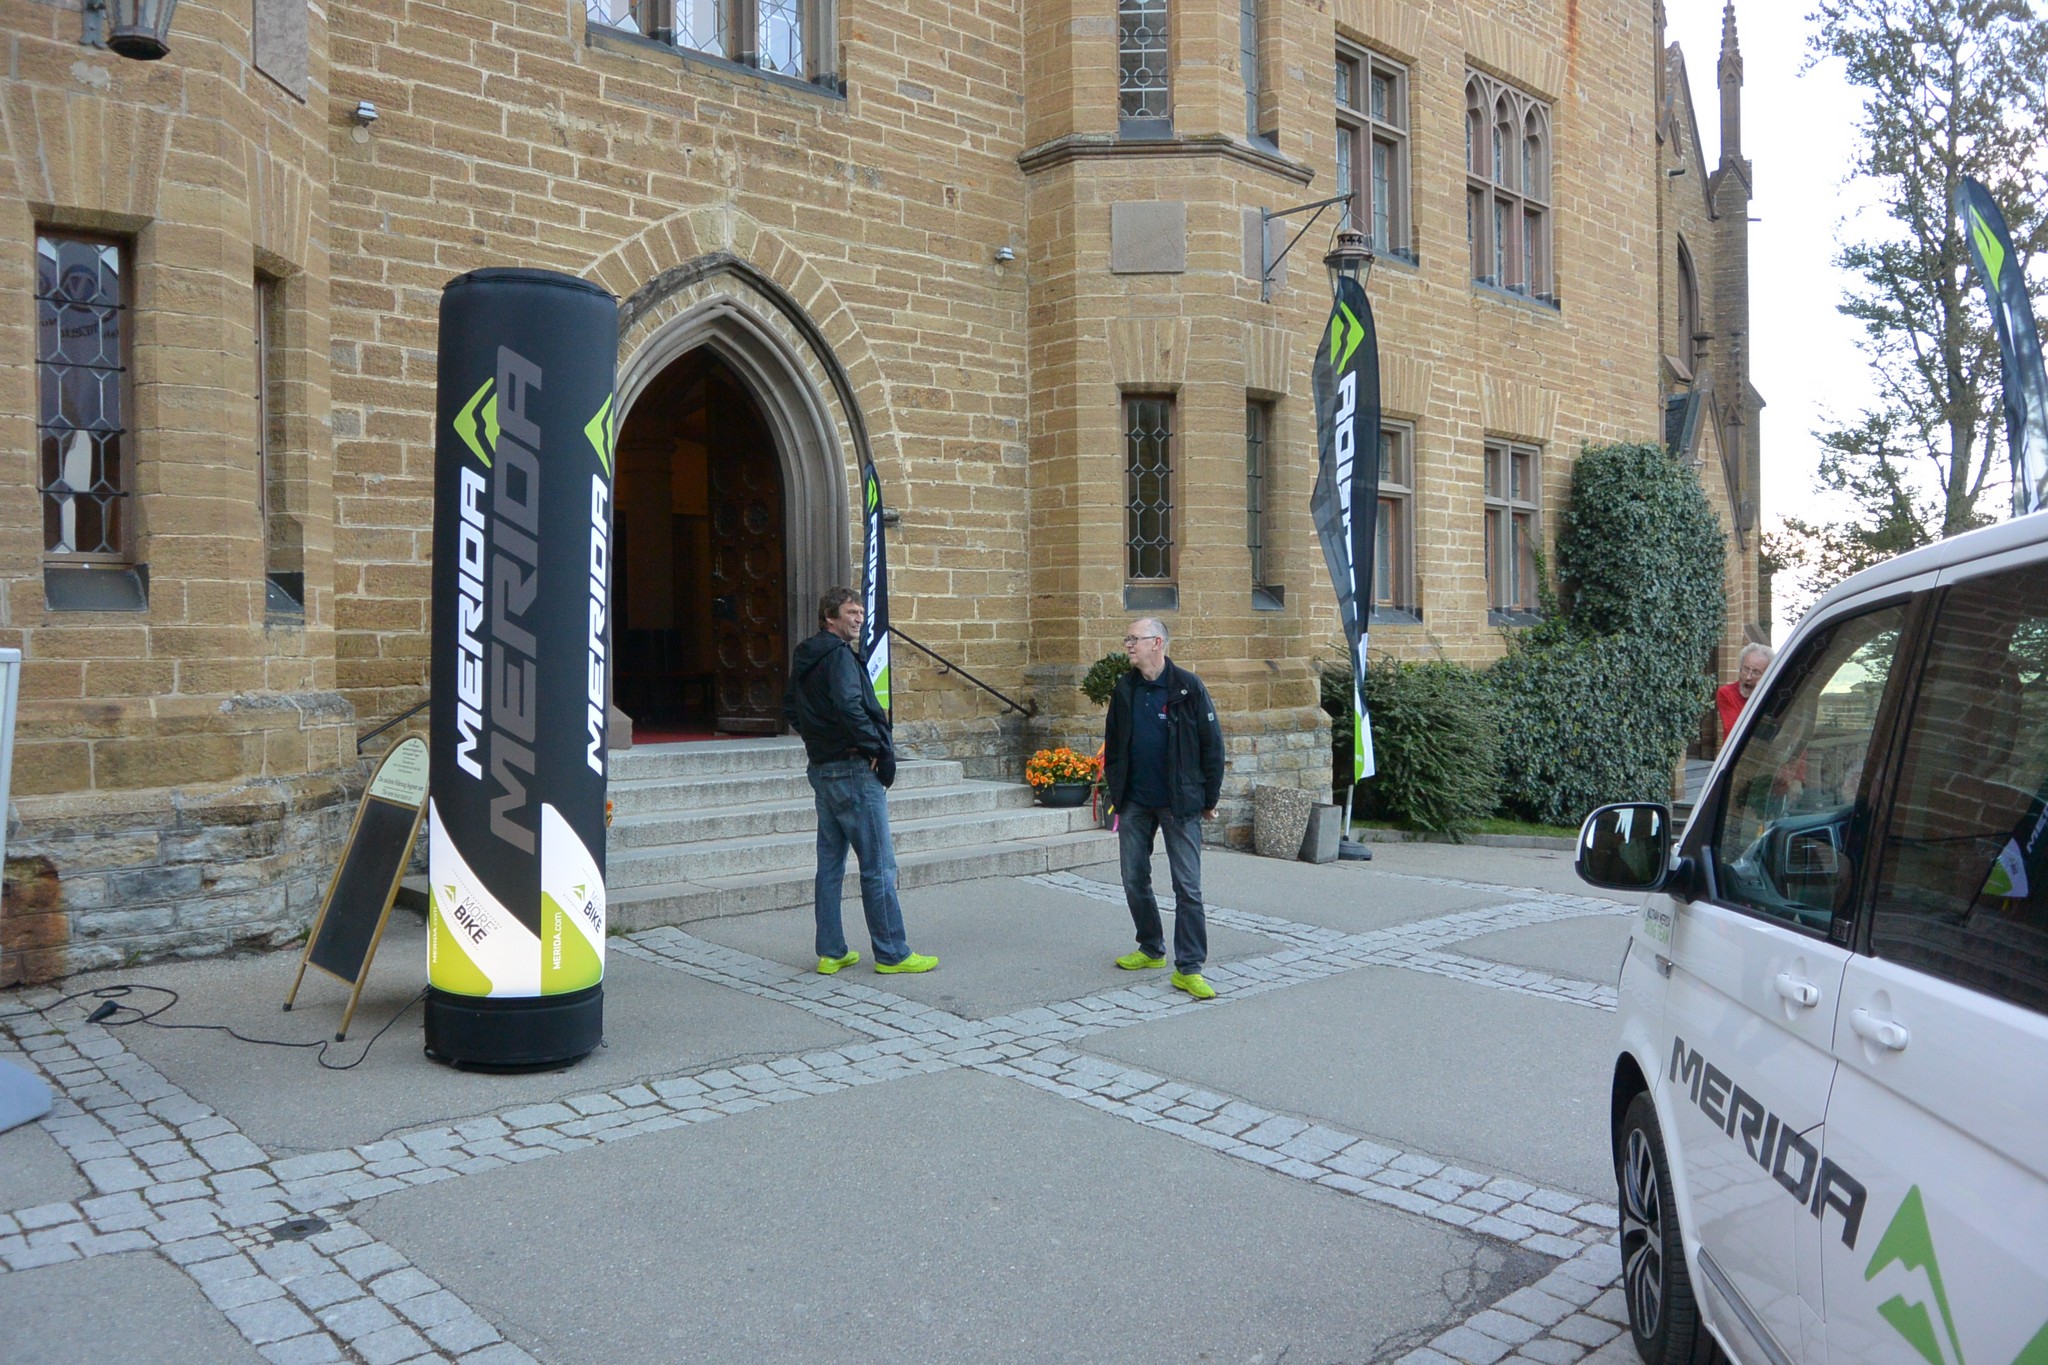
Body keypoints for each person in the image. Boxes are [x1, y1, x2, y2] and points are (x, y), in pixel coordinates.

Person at [782, 588, 937, 976]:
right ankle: (892, 952)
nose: (859, 619)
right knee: (878, 864)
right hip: (851, 769)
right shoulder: (837, 656)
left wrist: (820, 740)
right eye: (851, 612)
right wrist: (872, 747)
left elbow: (791, 709)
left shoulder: (807, 656)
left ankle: (831, 951)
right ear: (829, 617)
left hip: (823, 768)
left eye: (861, 612)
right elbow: (850, 706)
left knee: (830, 865)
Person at [1101, 618, 1226, 1000]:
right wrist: (1117, 792)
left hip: (1179, 802)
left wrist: (1208, 799)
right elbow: (1113, 743)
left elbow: (1212, 745)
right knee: (1133, 879)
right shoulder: (1125, 688)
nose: (1128, 645)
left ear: (1157, 643)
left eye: (1134, 639)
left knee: (1187, 887)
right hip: (1135, 801)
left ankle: (1189, 968)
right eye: (1127, 639)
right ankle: (1151, 947)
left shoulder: (1188, 687)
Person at [1717, 643, 1773, 752]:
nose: (1748, 677)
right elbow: (1735, 732)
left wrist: (1760, 694)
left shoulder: (1772, 696)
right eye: (1746, 669)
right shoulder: (1726, 693)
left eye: (1756, 672)